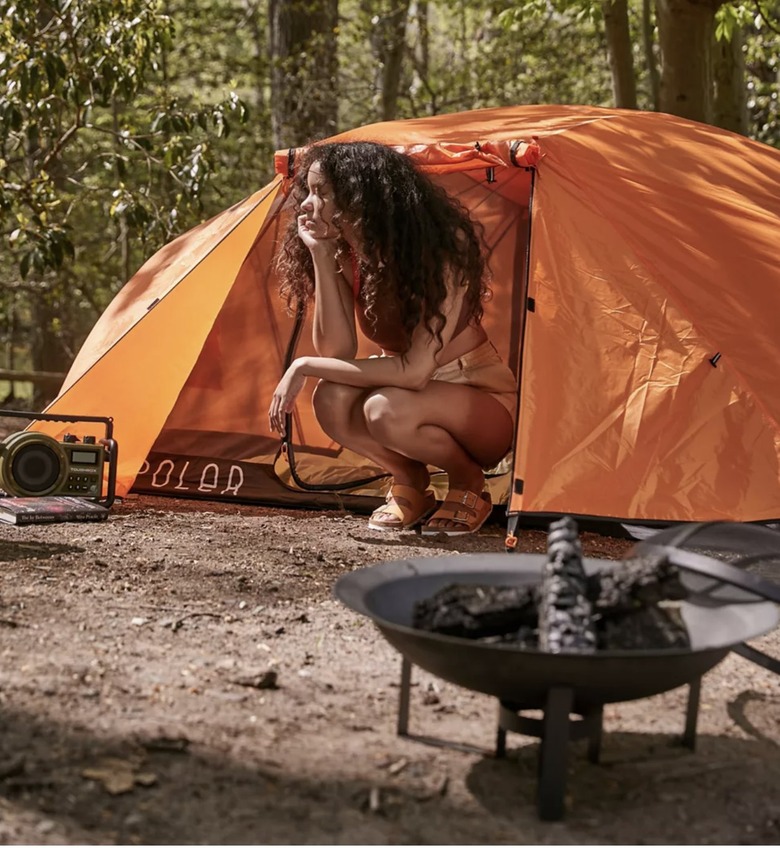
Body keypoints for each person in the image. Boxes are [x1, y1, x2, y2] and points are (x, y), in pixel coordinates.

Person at [268, 141, 517, 535]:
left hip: (479, 402)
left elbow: (415, 372)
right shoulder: (347, 253)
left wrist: (303, 365)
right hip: (406, 393)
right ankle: (411, 483)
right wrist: (320, 252)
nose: (306, 205)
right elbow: (337, 350)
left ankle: (469, 482)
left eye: (322, 194)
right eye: (308, 192)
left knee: (384, 409)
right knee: (331, 397)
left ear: (358, 197)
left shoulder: (439, 250)